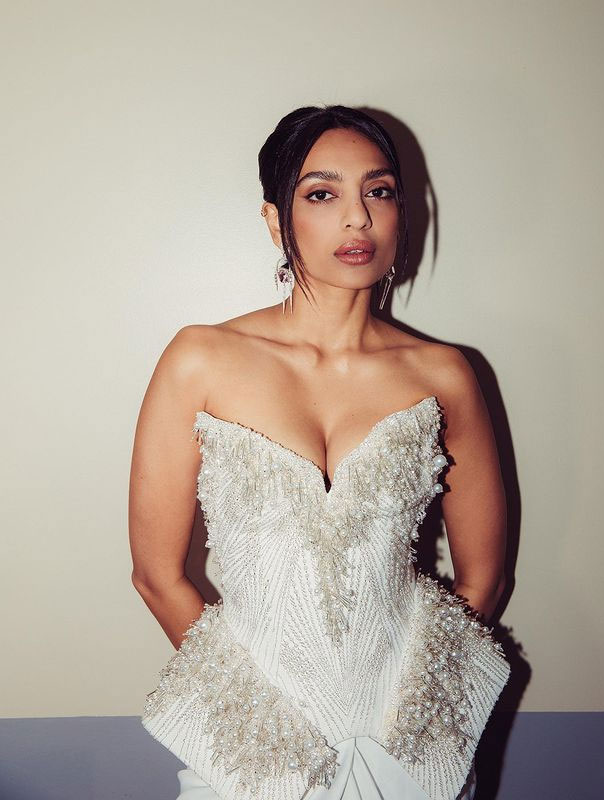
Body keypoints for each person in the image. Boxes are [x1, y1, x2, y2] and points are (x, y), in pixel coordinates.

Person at [129, 104, 511, 800]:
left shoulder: (444, 375)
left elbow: (482, 578)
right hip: (247, 758)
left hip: (416, 759)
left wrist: (415, 735)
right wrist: (260, 733)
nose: (358, 219)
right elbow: (157, 577)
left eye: (379, 190)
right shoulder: (199, 361)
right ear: (277, 221)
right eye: (322, 194)